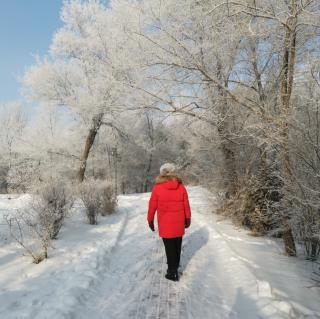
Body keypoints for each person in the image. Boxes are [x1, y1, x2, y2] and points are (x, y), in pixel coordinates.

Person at [147, 163, 191, 282]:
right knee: (177, 246)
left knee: (169, 247)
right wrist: (188, 218)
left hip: (165, 223)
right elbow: (186, 204)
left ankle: (172, 272)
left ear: (162, 173)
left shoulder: (157, 187)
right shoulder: (181, 186)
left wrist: (150, 219)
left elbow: (152, 206)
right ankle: (174, 266)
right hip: (178, 222)